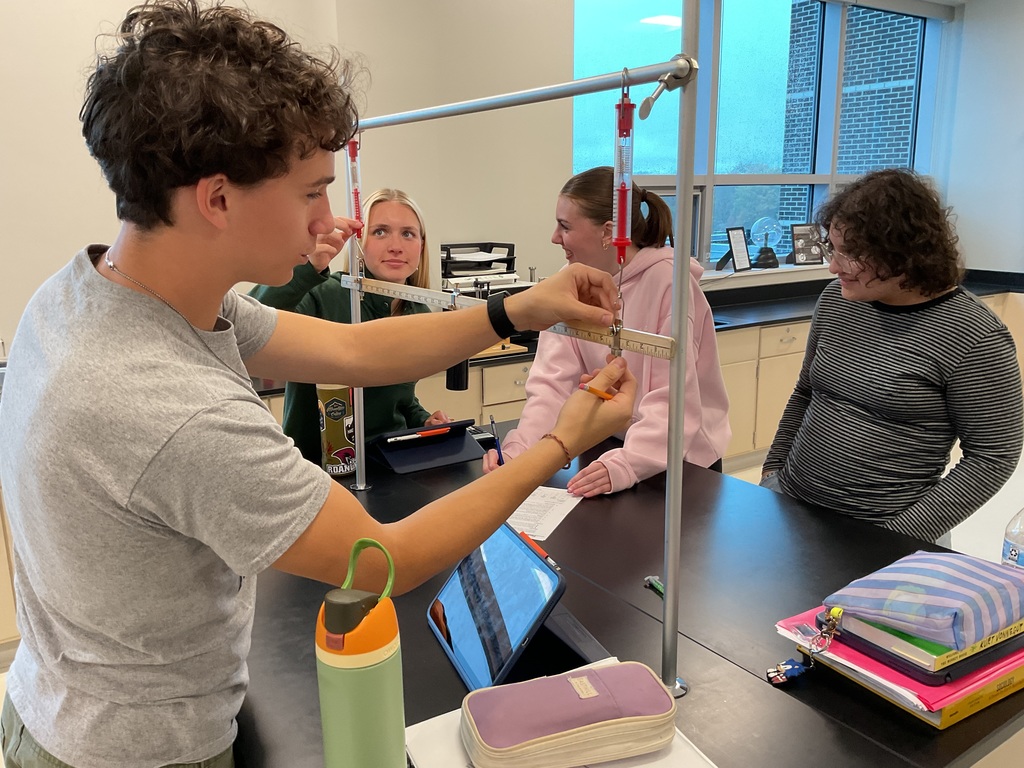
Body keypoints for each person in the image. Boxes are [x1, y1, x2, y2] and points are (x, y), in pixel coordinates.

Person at [0, 3, 637, 767]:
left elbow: (352, 350)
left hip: (53, 704)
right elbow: (386, 561)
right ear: (217, 198)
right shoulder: (171, 408)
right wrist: (565, 440)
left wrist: (514, 309)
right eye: (311, 192)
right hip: (141, 752)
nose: (331, 220)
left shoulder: (90, 290)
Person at [761, 168, 1023, 543]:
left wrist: (895, 540)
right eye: (833, 249)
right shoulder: (837, 301)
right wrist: (772, 474)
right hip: (792, 508)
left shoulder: (975, 336)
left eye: (850, 255)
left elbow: (992, 458)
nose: (834, 267)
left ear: (902, 254)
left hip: (886, 536)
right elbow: (806, 391)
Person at [484, 166, 731, 497]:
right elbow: (551, 385)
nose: (554, 237)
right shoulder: (570, 281)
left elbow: (674, 402)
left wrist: (629, 464)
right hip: (610, 447)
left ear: (609, 232)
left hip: (679, 460)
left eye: (565, 226)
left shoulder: (669, 284)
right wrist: (521, 451)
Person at [250, 188, 449, 464]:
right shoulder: (324, 293)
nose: (396, 246)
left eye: (408, 233)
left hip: (390, 464)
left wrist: (423, 420)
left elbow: (399, 399)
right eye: (380, 231)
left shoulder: (418, 312)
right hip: (317, 468)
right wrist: (306, 269)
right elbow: (249, 320)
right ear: (359, 242)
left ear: (422, 246)